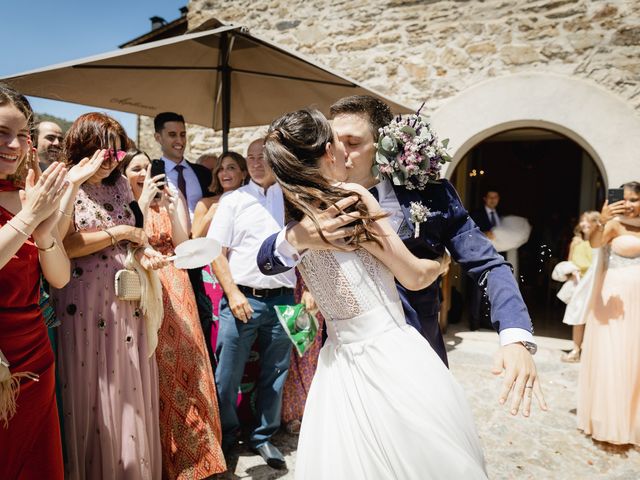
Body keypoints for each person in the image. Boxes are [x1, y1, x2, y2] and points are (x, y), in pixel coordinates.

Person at [258, 95, 545, 417]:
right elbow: (267, 260)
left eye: (353, 142)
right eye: (335, 141)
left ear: (382, 146)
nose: (340, 151)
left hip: (420, 350)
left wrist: (515, 337)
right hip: (350, 358)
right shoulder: (308, 202)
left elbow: (488, 263)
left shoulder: (432, 195)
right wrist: (298, 237)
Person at [263, 107, 487, 479]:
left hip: (337, 361)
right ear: (327, 152)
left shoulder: (295, 214)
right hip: (389, 351)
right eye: (338, 142)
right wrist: (442, 265)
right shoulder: (351, 198)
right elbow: (413, 277)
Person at [53, 113, 167, 479]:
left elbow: (136, 235)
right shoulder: (66, 184)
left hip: (126, 300)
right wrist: (120, 232)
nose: (111, 163)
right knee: (91, 390)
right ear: (82, 148)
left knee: (129, 391)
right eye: (105, 155)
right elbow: (65, 244)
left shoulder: (119, 186)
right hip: (82, 303)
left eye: (117, 156)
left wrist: (143, 251)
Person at [123, 149, 227, 478]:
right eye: (135, 168)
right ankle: (172, 462)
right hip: (146, 288)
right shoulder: (124, 202)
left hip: (179, 285)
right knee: (162, 371)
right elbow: (130, 240)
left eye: (146, 167)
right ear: (126, 174)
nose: (142, 173)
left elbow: (184, 244)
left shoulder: (170, 197)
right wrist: (144, 201)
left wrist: (169, 207)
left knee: (192, 363)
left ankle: (205, 456)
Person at [207, 138, 295, 469]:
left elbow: (309, 245)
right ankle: (228, 436)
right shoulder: (233, 200)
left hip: (285, 300)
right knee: (226, 375)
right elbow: (216, 250)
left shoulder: (291, 197)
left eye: (263, 156)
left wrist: (310, 290)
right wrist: (233, 293)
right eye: (251, 157)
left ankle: (263, 436)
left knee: (275, 373)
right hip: (242, 298)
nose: (257, 162)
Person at [0, 84, 69, 480]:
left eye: (22, 134)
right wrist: (28, 219)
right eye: (1, 133)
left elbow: (58, 278)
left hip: (35, 353)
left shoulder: (29, 192)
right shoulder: (31, 203)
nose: (14, 145)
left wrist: (44, 234)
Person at [577, 181, 640, 447]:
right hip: (614, 299)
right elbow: (594, 244)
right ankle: (610, 421)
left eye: (635, 200)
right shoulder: (613, 224)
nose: (628, 204)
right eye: (623, 199)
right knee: (616, 355)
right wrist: (601, 221)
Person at [154, 112, 215, 367]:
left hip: (201, 257)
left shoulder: (201, 173)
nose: (179, 140)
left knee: (203, 318)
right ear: (158, 137)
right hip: (168, 262)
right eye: (172, 135)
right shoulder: (151, 171)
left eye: (182, 134)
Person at [192, 151, 247, 356]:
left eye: (231, 167)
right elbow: (194, 238)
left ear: (243, 173)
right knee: (220, 331)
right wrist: (211, 214)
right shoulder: (205, 203)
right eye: (221, 168)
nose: (225, 172)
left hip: (244, 271)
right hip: (213, 274)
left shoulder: (251, 201)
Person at [559, 211, 599, 363]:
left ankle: (589, 351)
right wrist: (571, 271)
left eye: (589, 221)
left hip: (595, 283)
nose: (585, 224)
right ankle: (576, 349)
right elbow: (569, 263)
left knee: (593, 318)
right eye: (583, 221)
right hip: (579, 284)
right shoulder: (576, 242)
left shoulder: (601, 242)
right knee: (578, 318)